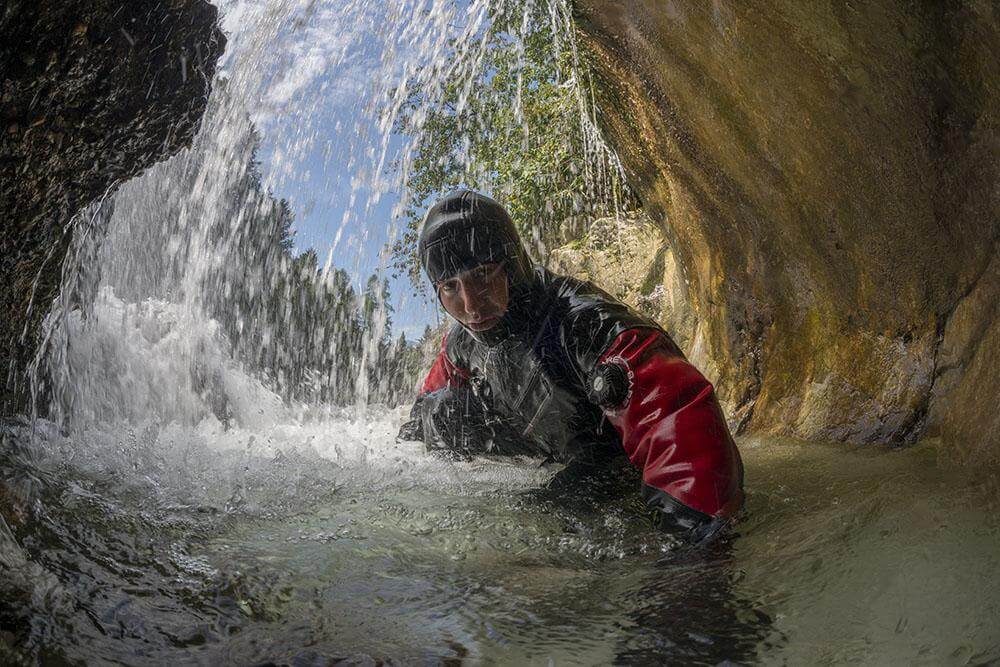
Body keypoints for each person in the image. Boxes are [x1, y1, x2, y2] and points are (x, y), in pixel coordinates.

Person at [398, 190, 744, 542]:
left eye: (483, 274)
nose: (471, 304)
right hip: (534, 439)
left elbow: (678, 418)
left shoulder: (585, 323)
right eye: (451, 287)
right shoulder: (462, 342)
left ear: (513, 264)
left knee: (548, 510)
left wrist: (694, 553)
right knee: (435, 411)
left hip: (605, 455)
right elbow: (425, 404)